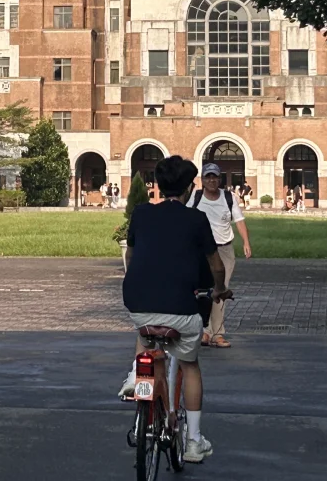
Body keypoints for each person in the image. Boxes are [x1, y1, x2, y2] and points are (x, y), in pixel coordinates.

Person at [118, 155, 231, 463]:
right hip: (181, 308)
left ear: (158, 185)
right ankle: (194, 441)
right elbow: (215, 264)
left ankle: (135, 376)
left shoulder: (140, 214)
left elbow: (130, 253)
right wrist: (219, 290)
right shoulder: (196, 219)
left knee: (145, 334)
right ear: (189, 188)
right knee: (189, 364)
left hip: (138, 301)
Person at [189, 163, 250, 348]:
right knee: (205, 292)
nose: (212, 180)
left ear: (219, 179)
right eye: (208, 177)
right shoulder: (196, 197)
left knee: (221, 289)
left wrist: (246, 242)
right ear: (203, 180)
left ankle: (217, 334)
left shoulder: (228, 197)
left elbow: (239, 220)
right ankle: (206, 332)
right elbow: (186, 217)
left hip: (224, 249)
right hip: (202, 251)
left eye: (215, 177)